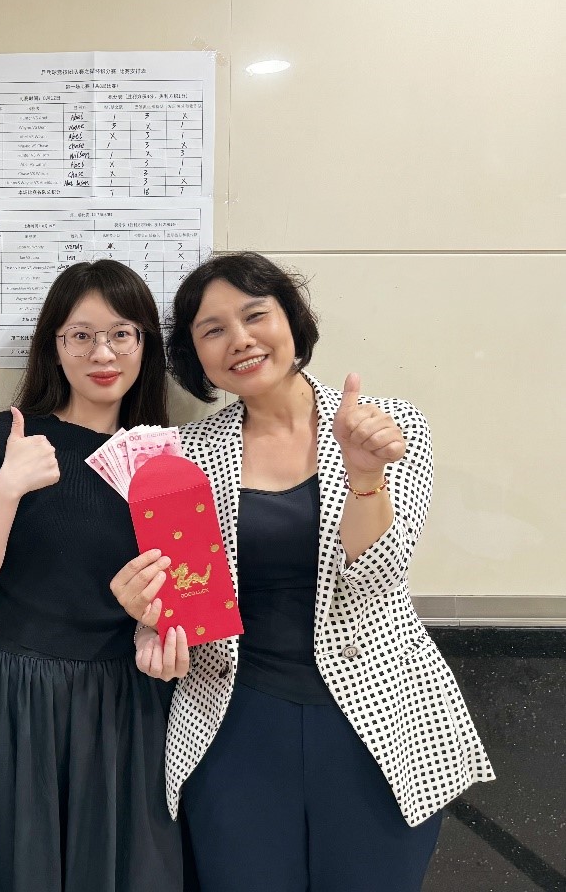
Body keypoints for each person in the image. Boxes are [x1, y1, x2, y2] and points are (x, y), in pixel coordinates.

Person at [118, 252, 494, 892]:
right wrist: (151, 622)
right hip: (232, 724)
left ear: (291, 320)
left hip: (379, 723)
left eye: (255, 314)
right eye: (212, 330)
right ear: (196, 357)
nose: (239, 339)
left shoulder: (386, 427)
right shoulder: (186, 455)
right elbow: (191, 602)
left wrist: (364, 475)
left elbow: (376, 575)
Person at [0, 260, 183, 892]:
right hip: (17, 694)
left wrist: (162, 626)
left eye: (122, 333)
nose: (102, 352)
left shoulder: (167, 456)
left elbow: (188, 595)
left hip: (129, 699)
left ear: (144, 346)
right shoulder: (8, 437)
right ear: (55, 345)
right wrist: (9, 485)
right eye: (81, 334)